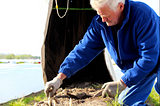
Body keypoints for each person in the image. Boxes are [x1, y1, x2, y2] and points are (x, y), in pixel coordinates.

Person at [44, 0, 160, 105]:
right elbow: (82, 51)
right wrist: (59, 78)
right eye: (100, 15)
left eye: (106, 15)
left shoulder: (144, 16)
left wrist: (122, 83)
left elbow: (149, 58)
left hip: (155, 59)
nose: (103, 20)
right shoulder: (100, 23)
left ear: (120, 6)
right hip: (137, 67)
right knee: (125, 103)